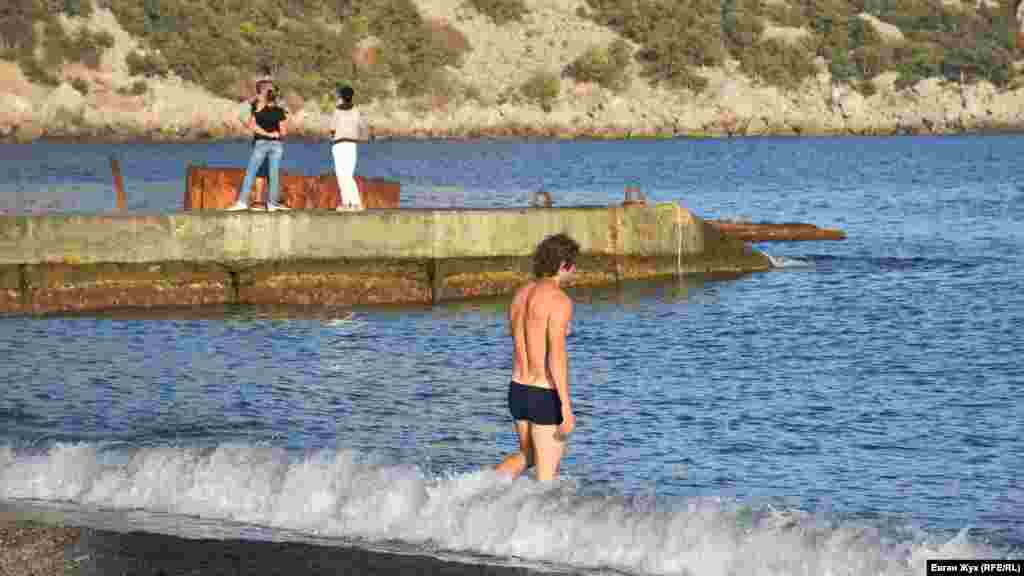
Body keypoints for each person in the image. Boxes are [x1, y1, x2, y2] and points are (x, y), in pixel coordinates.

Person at [495, 233, 580, 482]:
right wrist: (565, 407)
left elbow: (518, 334)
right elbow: (556, 356)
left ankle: (477, 491)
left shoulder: (520, 295)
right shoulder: (560, 301)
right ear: (563, 265)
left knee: (528, 455)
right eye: (573, 266)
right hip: (543, 393)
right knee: (546, 481)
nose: (574, 272)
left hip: (518, 389)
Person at [227, 77, 290, 211]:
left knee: (256, 172)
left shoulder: (260, 107)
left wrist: (263, 132)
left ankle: (249, 202)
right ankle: (265, 202)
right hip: (273, 143)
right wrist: (273, 134)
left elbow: (250, 123)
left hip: (262, 141)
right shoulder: (259, 105)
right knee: (267, 172)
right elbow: (283, 129)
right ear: (264, 91)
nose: (273, 91)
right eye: (271, 89)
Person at [330, 84, 365, 212]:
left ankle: (348, 203)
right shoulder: (356, 111)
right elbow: (362, 126)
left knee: (341, 175)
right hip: (352, 144)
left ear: (341, 97)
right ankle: (355, 203)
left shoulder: (337, 111)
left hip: (339, 144)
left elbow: (332, 129)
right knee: (349, 175)